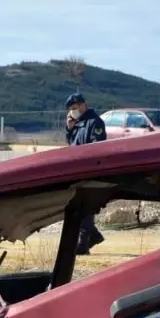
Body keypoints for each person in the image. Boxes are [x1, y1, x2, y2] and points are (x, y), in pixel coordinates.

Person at [64, 93, 107, 254]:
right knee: (78, 206)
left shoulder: (94, 122)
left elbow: (97, 148)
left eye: (74, 108)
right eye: (71, 110)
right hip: (76, 170)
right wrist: (69, 129)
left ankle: (83, 244)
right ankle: (93, 236)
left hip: (89, 171)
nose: (72, 112)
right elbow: (72, 144)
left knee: (85, 207)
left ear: (83, 105)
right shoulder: (78, 123)